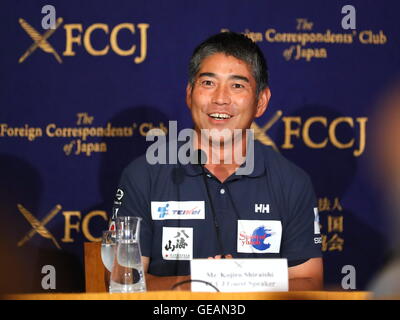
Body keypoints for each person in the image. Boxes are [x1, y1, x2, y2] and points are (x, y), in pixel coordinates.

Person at [112, 32, 323, 291]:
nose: (220, 98)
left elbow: (309, 282)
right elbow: (123, 282)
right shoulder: (143, 175)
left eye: (237, 85)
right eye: (209, 83)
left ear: (261, 101)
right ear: (190, 94)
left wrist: (239, 288)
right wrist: (198, 286)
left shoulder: (292, 182)